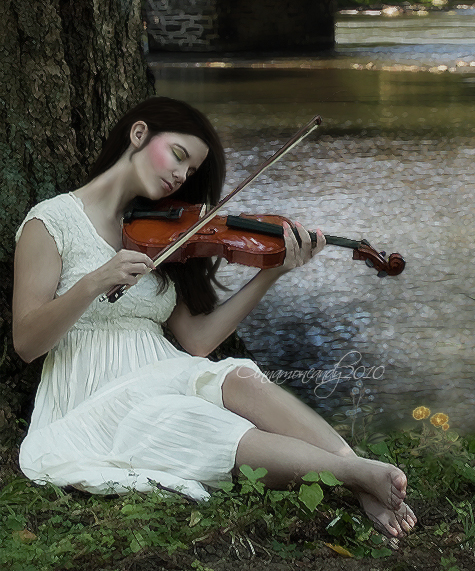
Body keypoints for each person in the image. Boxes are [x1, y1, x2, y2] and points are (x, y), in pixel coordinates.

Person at [12, 97, 416, 538]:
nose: (179, 177)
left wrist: (272, 273)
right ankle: (358, 476)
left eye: (189, 172)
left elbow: (198, 340)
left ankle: (358, 472)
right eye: (179, 157)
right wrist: (93, 282)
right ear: (139, 134)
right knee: (192, 422)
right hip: (92, 390)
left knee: (239, 377)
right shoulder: (51, 222)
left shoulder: (160, 231)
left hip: (161, 368)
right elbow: (27, 343)